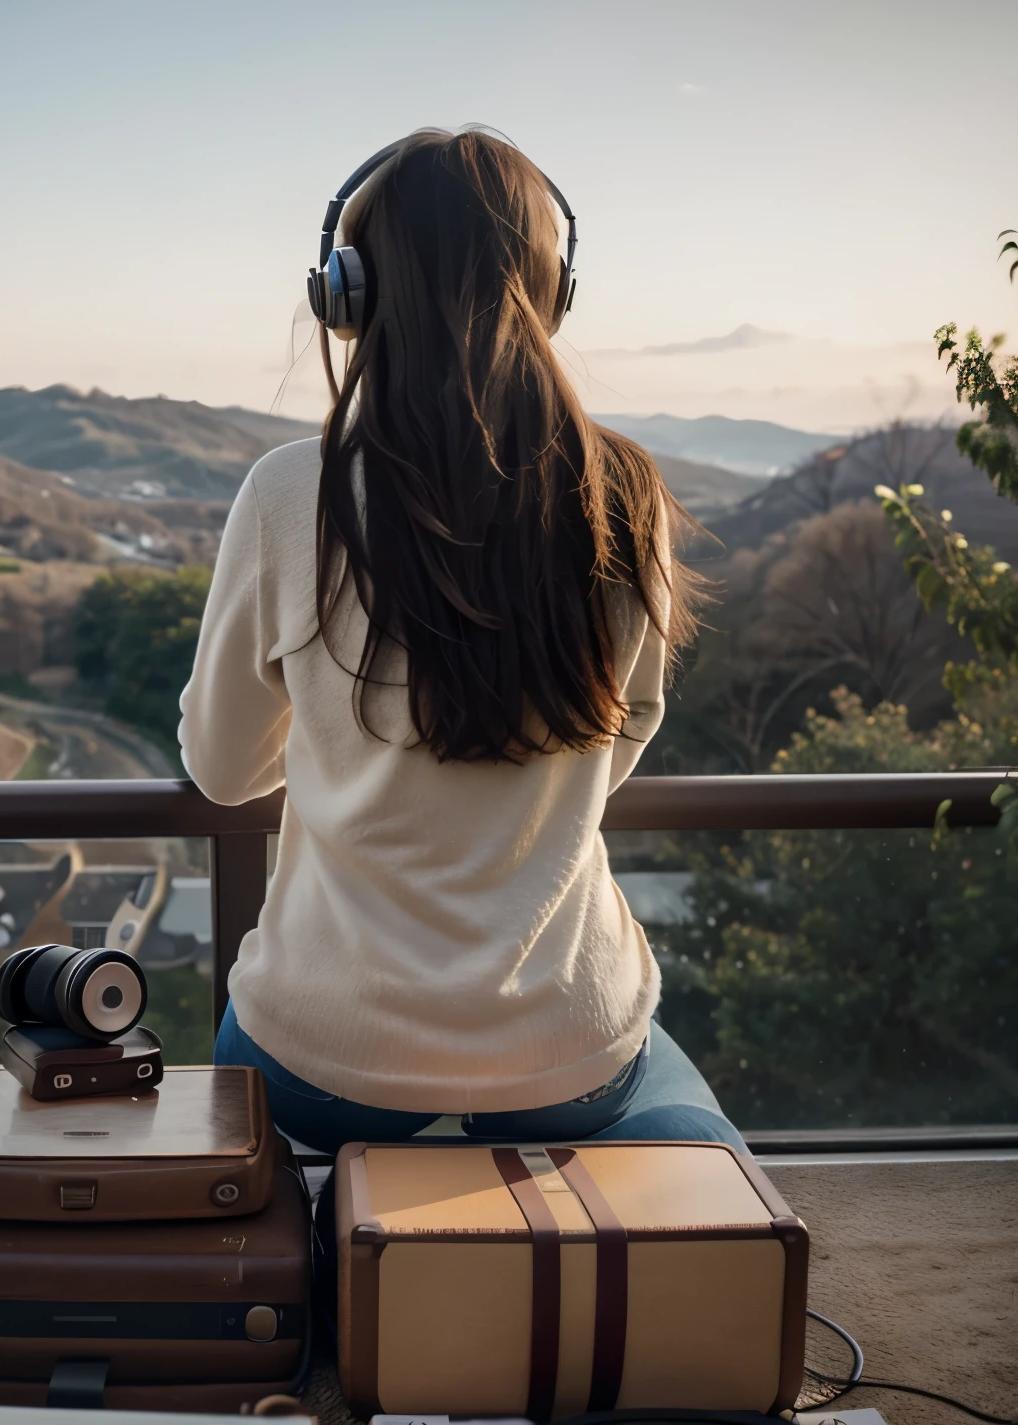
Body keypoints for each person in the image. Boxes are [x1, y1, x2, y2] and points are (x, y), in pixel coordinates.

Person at [178, 128, 744, 1155]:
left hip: (325, 1055)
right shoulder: (626, 491)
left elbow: (221, 774)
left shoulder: (288, 493)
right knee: (676, 1098)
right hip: (561, 1046)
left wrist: (338, 737)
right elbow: (627, 725)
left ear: (346, 296)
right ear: (553, 291)